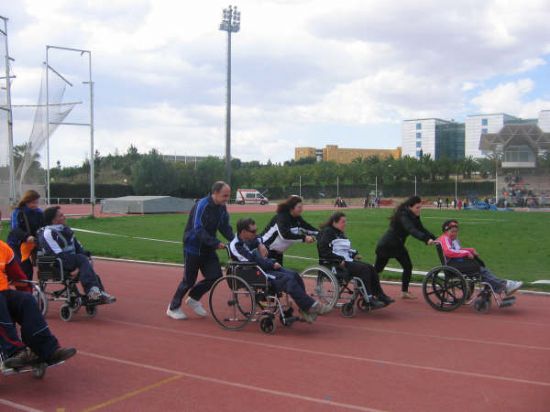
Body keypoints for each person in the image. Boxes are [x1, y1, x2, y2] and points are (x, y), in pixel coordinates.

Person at [0, 211, 76, 370]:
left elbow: (18, 276)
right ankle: (14, 352)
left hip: (4, 293)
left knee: (27, 300)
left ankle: (47, 350)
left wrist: (28, 293)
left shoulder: (3, 249)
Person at [230, 218, 330, 323]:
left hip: (263, 268)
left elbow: (259, 238)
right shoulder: (236, 246)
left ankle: (305, 308)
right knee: (288, 280)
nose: (256, 233)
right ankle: (311, 306)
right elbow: (254, 261)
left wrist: (260, 244)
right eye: (253, 231)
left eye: (256, 230)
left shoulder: (250, 238)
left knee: (295, 275)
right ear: (243, 232)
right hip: (254, 273)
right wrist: (272, 264)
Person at [167, 181, 234, 320]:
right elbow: (198, 228)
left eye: (228, 196)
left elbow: (224, 227)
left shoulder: (222, 208)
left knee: (215, 276)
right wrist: (215, 243)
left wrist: (235, 241)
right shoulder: (202, 205)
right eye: (224, 196)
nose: (227, 199)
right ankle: (173, 308)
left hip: (208, 249)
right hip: (192, 248)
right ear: (215, 193)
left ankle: (193, 298)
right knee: (188, 281)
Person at [38, 206, 116, 304]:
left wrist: (83, 259)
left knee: (92, 274)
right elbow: (56, 255)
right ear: (54, 220)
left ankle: (97, 295)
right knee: (82, 259)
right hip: (55, 265)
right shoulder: (47, 233)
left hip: (69, 262)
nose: (64, 217)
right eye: (61, 215)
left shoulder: (66, 230)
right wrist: (76, 265)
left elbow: (78, 248)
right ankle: (93, 293)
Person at [317, 212, 392, 307]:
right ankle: (368, 299)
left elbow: (345, 249)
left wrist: (354, 253)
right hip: (334, 263)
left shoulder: (339, 233)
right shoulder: (327, 232)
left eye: (345, 221)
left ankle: (380, 295)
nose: (345, 224)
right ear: (334, 222)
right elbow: (324, 251)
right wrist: (339, 260)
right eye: (343, 222)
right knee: (363, 269)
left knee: (370, 268)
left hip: (345, 260)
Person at [437, 220, 522, 295]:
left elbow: (458, 250)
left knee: (480, 265)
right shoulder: (444, 238)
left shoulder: (452, 239)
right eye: (452, 231)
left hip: (457, 262)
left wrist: (470, 250)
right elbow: (449, 252)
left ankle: (502, 286)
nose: (454, 233)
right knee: (478, 268)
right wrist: (466, 253)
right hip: (452, 265)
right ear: (446, 231)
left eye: (456, 231)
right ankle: (504, 285)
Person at [374, 196, 436, 299]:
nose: (419, 210)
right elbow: (411, 229)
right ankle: (369, 288)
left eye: (420, 207)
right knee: (377, 270)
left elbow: (420, 228)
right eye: (417, 207)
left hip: (398, 246)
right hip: (387, 245)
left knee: (408, 266)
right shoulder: (403, 216)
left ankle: (404, 292)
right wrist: (425, 239)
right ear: (410, 207)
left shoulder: (414, 215)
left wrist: (434, 237)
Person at [261, 196, 317, 265]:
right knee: (271, 274)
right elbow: (285, 235)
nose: (302, 209)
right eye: (299, 207)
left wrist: (321, 233)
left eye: (302, 207)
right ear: (291, 208)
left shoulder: (297, 218)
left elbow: (308, 228)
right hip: (264, 249)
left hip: (277, 253)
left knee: (281, 274)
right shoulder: (282, 217)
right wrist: (304, 238)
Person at [7, 190, 44, 280]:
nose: (36, 205)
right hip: (17, 243)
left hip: (34, 242)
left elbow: (44, 226)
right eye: (33, 202)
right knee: (25, 268)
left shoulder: (39, 212)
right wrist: (26, 236)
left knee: (45, 263)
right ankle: (26, 289)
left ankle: (40, 287)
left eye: (37, 202)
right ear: (27, 201)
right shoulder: (17, 212)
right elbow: (15, 228)